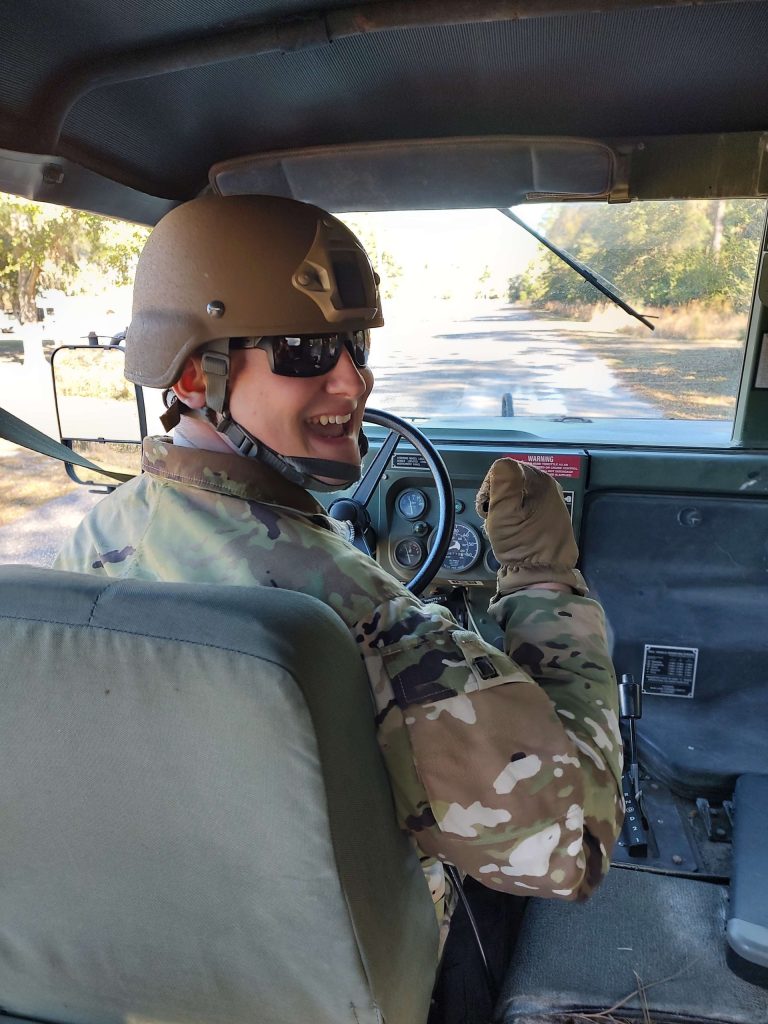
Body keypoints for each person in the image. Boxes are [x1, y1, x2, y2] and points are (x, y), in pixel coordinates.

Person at [55, 194, 623, 935]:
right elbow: (570, 849)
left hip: (141, 942)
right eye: (304, 351)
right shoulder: (371, 624)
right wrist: (543, 584)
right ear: (196, 377)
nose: (353, 383)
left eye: (357, 345)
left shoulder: (91, 539)